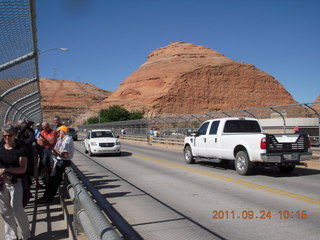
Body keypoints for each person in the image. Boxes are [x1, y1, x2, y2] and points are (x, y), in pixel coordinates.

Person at [0, 124, 31, 240]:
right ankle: (11, 236)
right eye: (4, 136)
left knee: (17, 208)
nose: (7, 138)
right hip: (2, 183)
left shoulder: (21, 148)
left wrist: (6, 170)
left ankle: (26, 234)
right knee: (4, 211)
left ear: (14, 136)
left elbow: (22, 168)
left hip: (16, 182)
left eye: (9, 135)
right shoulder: (0, 147)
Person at [38, 125, 74, 203]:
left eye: (58, 132)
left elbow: (65, 155)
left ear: (63, 131)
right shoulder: (62, 139)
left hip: (62, 162)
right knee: (52, 180)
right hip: (59, 161)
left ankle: (48, 198)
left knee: (54, 181)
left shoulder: (67, 140)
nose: (57, 133)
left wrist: (54, 150)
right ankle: (46, 197)